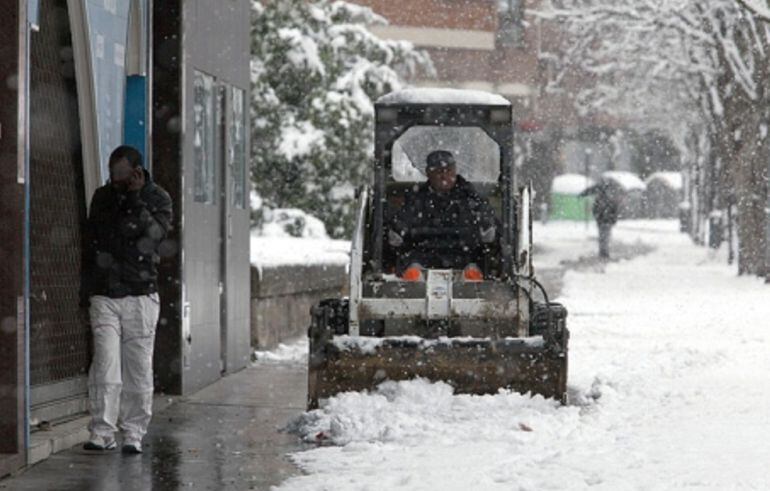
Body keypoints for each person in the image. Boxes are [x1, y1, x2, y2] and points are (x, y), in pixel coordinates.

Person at [80, 145, 173, 454]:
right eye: (112, 175)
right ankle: (102, 430)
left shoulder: (157, 198)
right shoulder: (102, 197)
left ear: (137, 173)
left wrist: (134, 199)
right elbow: (91, 243)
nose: (115, 182)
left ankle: (133, 432)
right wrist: (87, 289)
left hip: (141, 293)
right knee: (105, 363)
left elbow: (153, 237)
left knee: (137, 367)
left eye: (121, 176)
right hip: (105, 292)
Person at [388, 150, 498, 271]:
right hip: (422, 254)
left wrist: (487, 226)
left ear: (455, 171)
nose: (444, 176)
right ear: (428, 173)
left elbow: (485, 216)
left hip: (464, 255)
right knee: (412, 271)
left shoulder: (470, 196)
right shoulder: (417, 198)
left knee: (475, 271)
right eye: (439, 172)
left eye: (449, 171)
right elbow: (403, 219)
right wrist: (398, 230)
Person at [580, 179, 621, 260]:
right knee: (605, 236)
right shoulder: (610, 200)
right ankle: (604, 252)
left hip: (602, 221)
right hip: (605, 221)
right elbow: (614, 210)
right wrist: (613, 219)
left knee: (603, 237)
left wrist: (598, 216)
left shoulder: (600, 200)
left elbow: (595, 210)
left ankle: (603, 252)